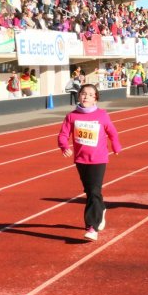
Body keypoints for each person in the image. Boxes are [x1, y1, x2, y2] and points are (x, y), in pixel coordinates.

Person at [57, 84, 122, 241]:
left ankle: (91, 227)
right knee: (91, 191)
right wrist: (64, 146)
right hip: (80, 159)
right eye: (83, 94)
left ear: (95, 99)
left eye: (90, 94)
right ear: (78, 96)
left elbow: (112, 132)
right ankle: (101, 209)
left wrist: (116, 145)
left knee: (93, 191)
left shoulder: (102, 115)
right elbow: (63, 135)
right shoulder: (72, 116)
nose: (86, 96)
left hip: (98, 159)